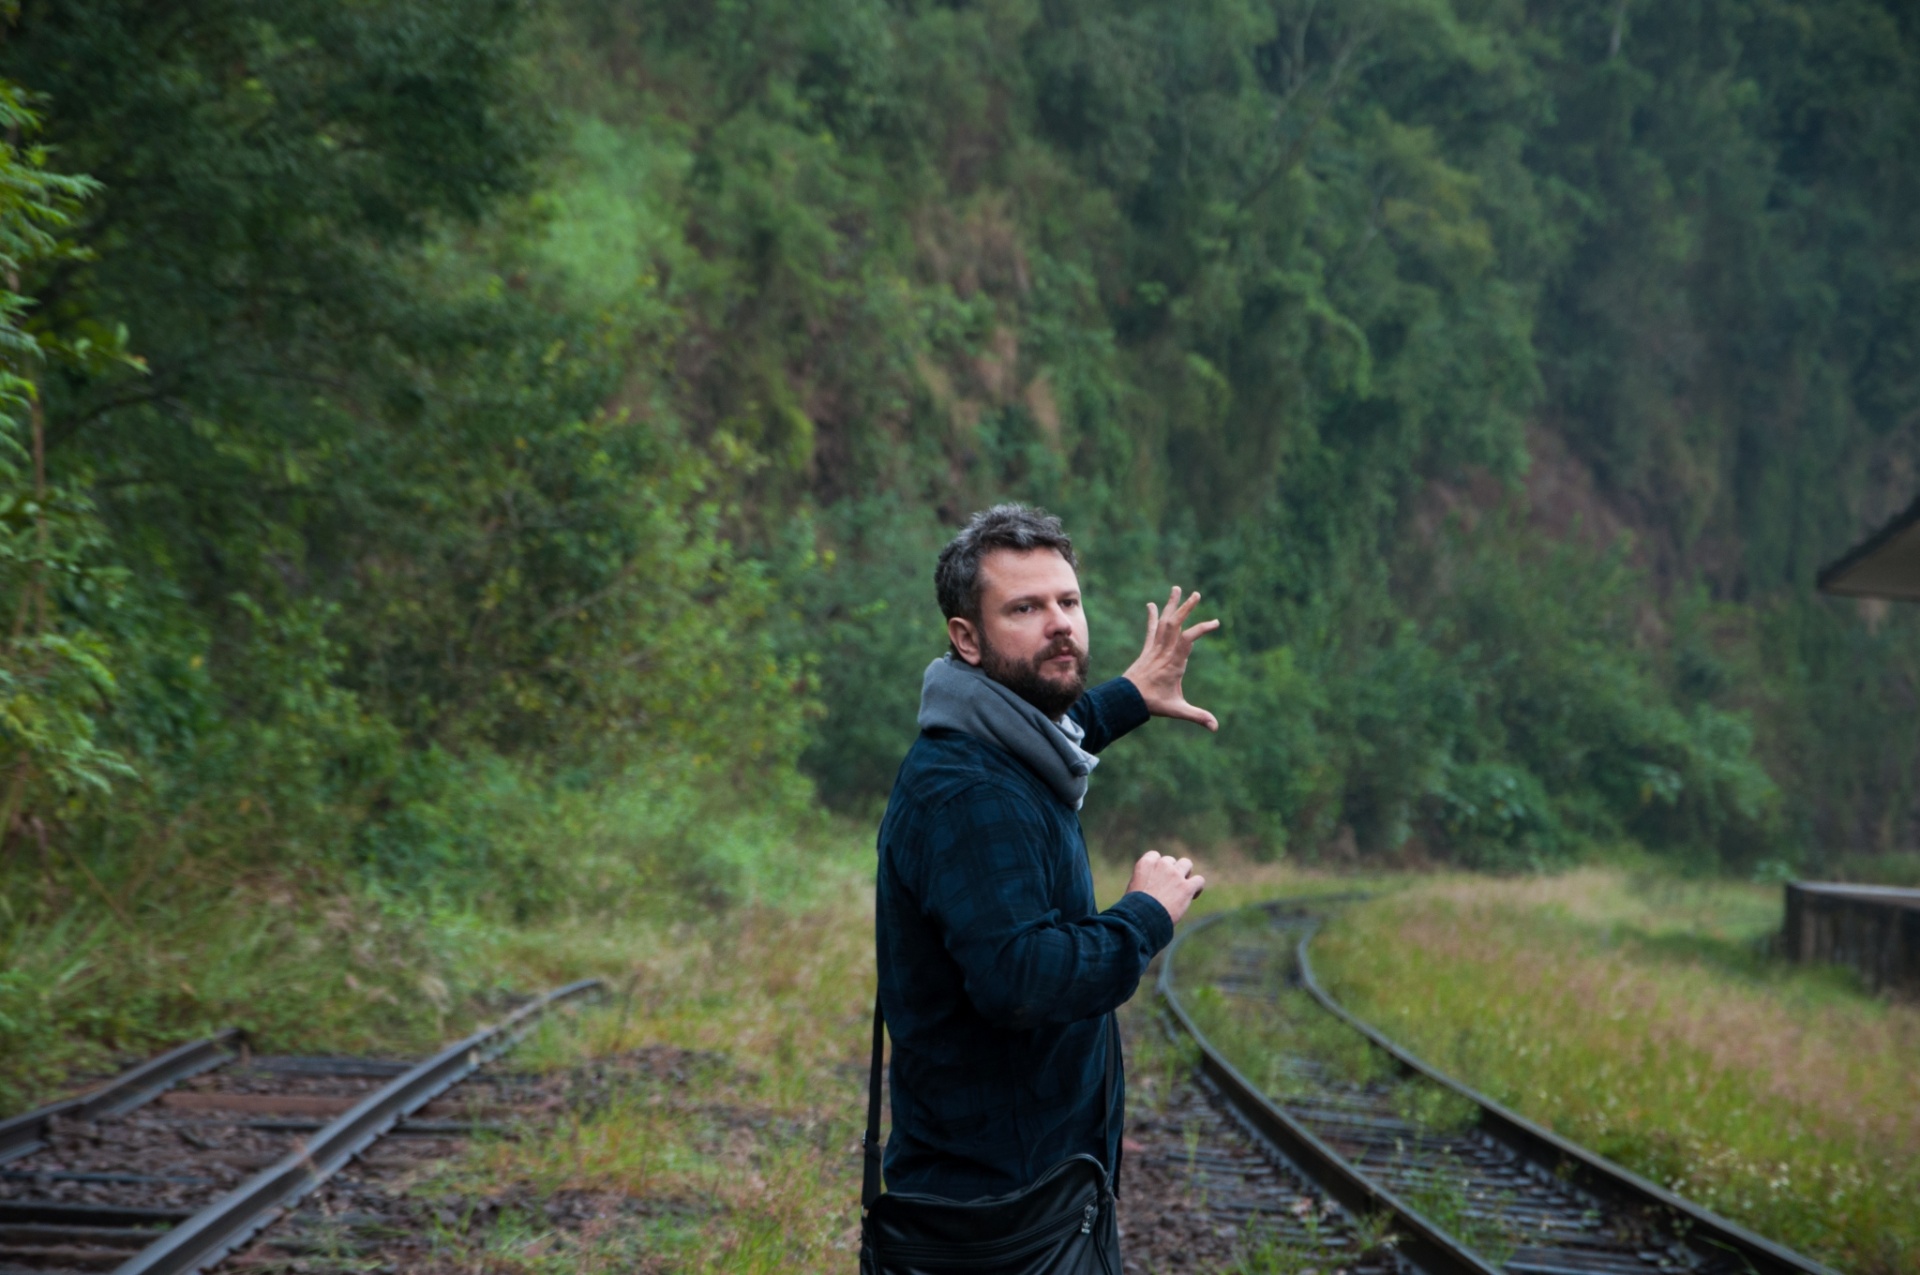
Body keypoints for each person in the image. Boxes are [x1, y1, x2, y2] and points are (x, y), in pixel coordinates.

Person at [874, 502, 1217, 1206]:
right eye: (1025, 608)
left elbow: (1057, 729)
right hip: (998, 1205)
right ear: (967, 638)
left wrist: (1132, 694)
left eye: (1069, 600)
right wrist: (1144, 916)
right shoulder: (971, 794)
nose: (1060, 621)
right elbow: (1022, 978)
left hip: (1026, 1175)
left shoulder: (1000, 739)